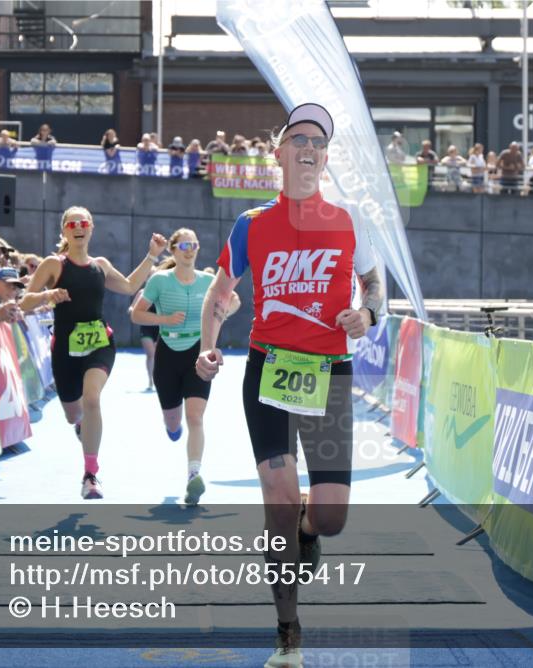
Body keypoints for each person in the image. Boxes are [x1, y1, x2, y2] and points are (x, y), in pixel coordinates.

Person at [196, 103, 383, 668]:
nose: (308, 146)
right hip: (269, 369)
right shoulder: (252, 224)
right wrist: (208, 342)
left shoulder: (353, 221)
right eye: (297, 137)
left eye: (318, 140)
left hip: (328, 373)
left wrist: (367, 316)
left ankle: (306, 522)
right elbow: (219, 294)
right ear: (277, 153)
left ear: (325, 158)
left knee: (330, 518)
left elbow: (374, 287)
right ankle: (288, 634)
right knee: (276, 499)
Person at [19, 206, 168, 499]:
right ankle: (81, 426)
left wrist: (152, 256)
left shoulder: (100, 264)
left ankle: (90, 474)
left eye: (84, 222)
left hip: (100, 343)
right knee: (73, 413)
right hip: (64, 347)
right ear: (64, 231)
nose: (78, 227)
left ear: (91, 228)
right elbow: (25, 303)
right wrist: (47, 295)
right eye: (72, 223)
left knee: (92, 398)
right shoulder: (53, 264)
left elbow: (127, 286)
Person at [130, 229, 240, 506]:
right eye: (184, 245)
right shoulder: (160, 280)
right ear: (173, 250)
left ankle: (193, 475)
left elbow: (233, 300)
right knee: (174, 421)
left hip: (198, 353)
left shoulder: (208, 281)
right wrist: (165, 319)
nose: (189, 250)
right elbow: (136, 314)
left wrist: (218, 318)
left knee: (196, 418)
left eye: (194, 244)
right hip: (167, 355)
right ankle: (172, 428)